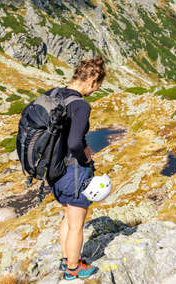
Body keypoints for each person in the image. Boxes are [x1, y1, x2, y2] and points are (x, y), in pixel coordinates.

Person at [47, 56, 106, 280]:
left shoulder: (55, 94)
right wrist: (86, 157)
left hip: (54, 170)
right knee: (76, 224)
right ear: (92, 81)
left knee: (67, 218)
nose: (95, 90)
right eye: (97, 86)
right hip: (72, 171)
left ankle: (65, 259)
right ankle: (73, 268)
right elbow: (74, 143)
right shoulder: (80, 104)